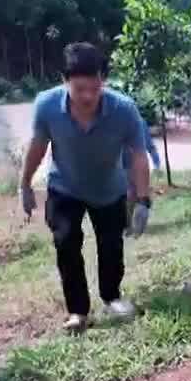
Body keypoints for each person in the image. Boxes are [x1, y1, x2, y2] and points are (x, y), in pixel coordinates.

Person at [19, 42, 152, 333]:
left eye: (95, 87)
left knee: (111, 245)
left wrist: (143, 200)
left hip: (109, 188)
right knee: (66, 242)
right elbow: (37, 145)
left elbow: (138, 155)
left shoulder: (123, 109)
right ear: (64, 81)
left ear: (103, 81)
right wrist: (25, 184)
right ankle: (78, 311)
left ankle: (112, 297)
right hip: (64, 187)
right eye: (80, 89)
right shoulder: (46, 105)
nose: (88, 96)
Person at [122, 117, 161, 234]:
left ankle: (128, 224)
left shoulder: (138, 122)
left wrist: (156, 163)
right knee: (129, 194)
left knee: (131, 193)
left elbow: (149, 145)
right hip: (120, 163)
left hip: (132, 163)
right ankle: (127, 224)